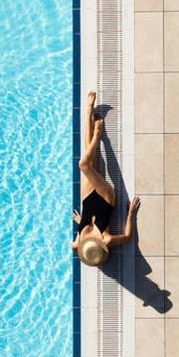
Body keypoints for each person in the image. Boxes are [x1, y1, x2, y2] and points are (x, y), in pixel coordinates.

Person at [72, 91, 139, 266]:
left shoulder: (77, 243)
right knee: (84, 165)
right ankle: (97, 133)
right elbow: (127, 237)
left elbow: (74, 246)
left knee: (88, 156)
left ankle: (89, 113)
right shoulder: (107, 240)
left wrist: (80, 222)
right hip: (105, 198)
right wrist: (131, 213)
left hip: (87, 199)